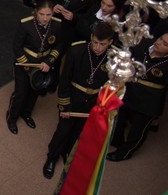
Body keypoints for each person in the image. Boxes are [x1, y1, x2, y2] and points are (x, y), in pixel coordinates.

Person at [43, 22, 115, 179]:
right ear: (91, 37)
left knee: (79, 131)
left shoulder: (113, 58)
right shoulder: (77, 50)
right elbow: (65, 80)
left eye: (102, 44)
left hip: (93, 102)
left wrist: (102, 107)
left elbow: (111, 86)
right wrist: (65, 105)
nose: (97, 47)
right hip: (73, 97)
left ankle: (68, 152)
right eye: (95, 42)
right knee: (63, 130)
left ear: (110, 42)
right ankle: (52, 157)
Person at [108, 31, 168, 161]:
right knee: (119, 118)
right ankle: (116, 140)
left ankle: (125, 152)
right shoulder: (144, 45)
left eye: (165, 44)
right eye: (160, 38)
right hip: (129, 91)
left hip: (149, 101)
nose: (159, 43)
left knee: (138, 130)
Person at [6, 0, 63, 135]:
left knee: (35, 92)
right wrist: (27, 67)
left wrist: (49, 62)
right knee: (21, 92)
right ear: (36, 12)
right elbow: (17, 47)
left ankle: (26, 113)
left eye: (48, 15)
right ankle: (12, 117)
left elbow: (59, 45)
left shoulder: (57, 25)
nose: (45, 18)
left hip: (43, 64)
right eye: (42, 14)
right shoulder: (26, 24)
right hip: (26, 62)